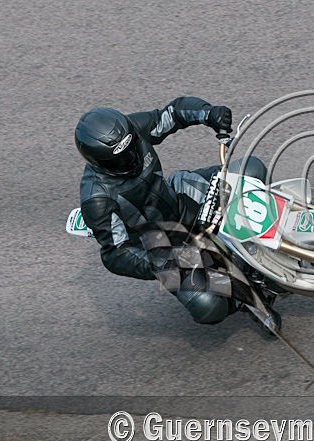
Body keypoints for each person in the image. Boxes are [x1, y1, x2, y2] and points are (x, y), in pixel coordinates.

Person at [74, 96, 269, 325]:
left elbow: (171, 114)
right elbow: (115, 253)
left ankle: (277, 234)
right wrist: (160, 264)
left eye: (132, 148)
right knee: (209, 307)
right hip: (161, 245)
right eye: (119, 160)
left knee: (252, 170)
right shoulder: (96, 198)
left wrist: (209, 113)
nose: (130, 159)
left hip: (179, 196)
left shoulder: (134, 130)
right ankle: (244, 296)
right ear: (98, 162)